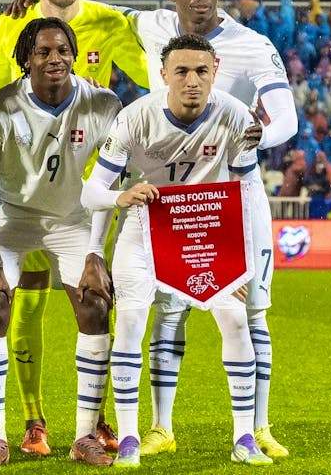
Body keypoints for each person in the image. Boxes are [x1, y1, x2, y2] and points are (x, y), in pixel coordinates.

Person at [0, 0, 146, 456]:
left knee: (96, 300)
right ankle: (32, 422)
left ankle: (90, 424)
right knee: (21, 300)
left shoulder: (110, 22)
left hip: (88, 191)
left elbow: (151, 75)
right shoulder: (8, 26)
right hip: (24, 187)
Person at [126, 0, 296, 458]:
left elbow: (286, 118)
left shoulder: (252, 46)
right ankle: (161, 427)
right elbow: (92, 11)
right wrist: (36, 6)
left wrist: (259, 134)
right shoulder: (152, 27)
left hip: (237, 199)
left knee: (253, 315)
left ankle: (258, 426)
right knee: (169, 313)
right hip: (174, 199)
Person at [80, 33, 272, 467]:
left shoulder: (236, 115)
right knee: (130, 324)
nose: (192, 80)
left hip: (205, 230)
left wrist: (240, 264)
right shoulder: (135, 118)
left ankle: (245, 437)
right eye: (181, 71)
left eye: (201, 71)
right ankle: (130, 438)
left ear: (215, 72)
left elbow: (245, 191)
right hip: (146, 230)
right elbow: (91, 193)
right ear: (163, 74)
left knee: (236, 322)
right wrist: (120, 198)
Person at [0, 18, 121, 467]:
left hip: (73, 219)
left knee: (95, 302)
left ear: (74, 54)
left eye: (63, 51)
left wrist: (95, 252)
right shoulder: (1, 105)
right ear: (26, 59)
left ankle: (84, 434)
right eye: (43, 52)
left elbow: (108, 180)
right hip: (11, 217)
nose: (54, 59)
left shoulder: (103, 104)